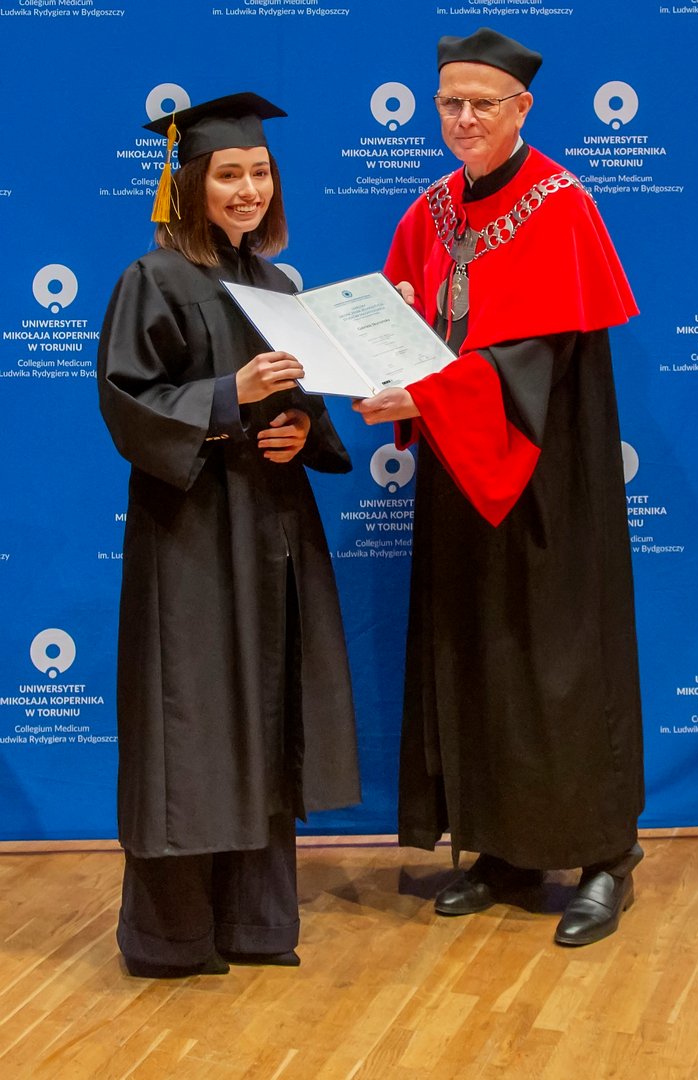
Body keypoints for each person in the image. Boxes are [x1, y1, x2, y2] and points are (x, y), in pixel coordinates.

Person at [353, 28, 644, 946]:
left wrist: (429, 391)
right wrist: (377, 348)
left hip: (550, 479)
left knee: (561, 660)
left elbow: (535, 362)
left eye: (483, 103)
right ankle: (506, 848)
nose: (464, 118)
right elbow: (402, 323)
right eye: (450, 103)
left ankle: (606, 855)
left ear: (523, 108)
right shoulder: (430, 210)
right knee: (478, 655)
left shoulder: (561, 205)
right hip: (459, 474)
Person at [98, 92, 359, 978]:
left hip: (273, 527)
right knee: (194, 720)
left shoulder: (278, 286)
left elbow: (305, 401)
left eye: (260, 173)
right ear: (189, 185)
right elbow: (128, 401)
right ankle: (172, 936)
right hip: (193, 535)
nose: (249, 189)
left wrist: (299, 430)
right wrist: (226, 399)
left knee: (265, 713)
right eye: (228, 175)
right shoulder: (154, 278)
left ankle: (256, 924)